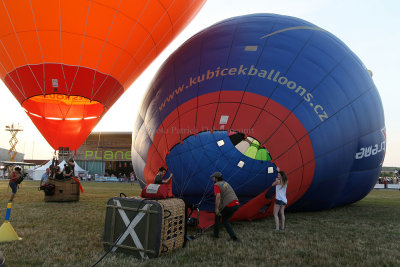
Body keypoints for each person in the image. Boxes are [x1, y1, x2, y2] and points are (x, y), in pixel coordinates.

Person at [211, 171, 240, 241]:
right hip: (236, 204)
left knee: (217, 215)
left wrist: (217, 209)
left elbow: (218, 197)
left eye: (213, 178)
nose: (212, 179)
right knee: (225, 220)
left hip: (230, 204)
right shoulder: (226, 183)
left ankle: (216, 235)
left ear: (216, 178)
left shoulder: (216, 185)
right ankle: (234, 238)